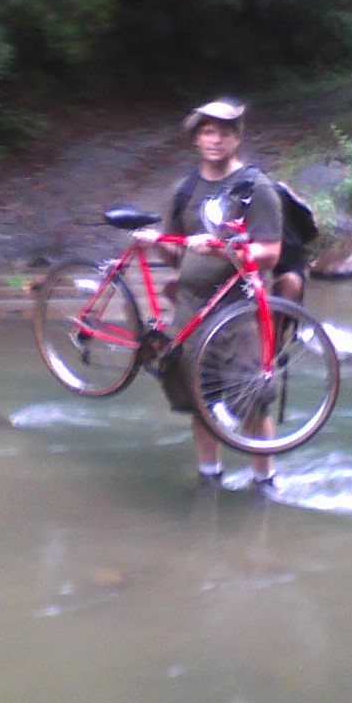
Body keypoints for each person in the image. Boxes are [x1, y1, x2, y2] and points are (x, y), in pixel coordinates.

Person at [131, 99, 283, 492]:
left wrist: (224, 250)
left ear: (237, 139)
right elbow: (176, 253)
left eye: (224, 133)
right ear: (197, 138)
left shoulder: (256, 188)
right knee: (198, 399)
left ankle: (264, 481)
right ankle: (208, 475)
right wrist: (157, 243)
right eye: (208, 132)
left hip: (240, 311)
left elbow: (270, 251)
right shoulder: (184, 189)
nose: (215, 140)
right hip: (191, 309)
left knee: (252, 398)